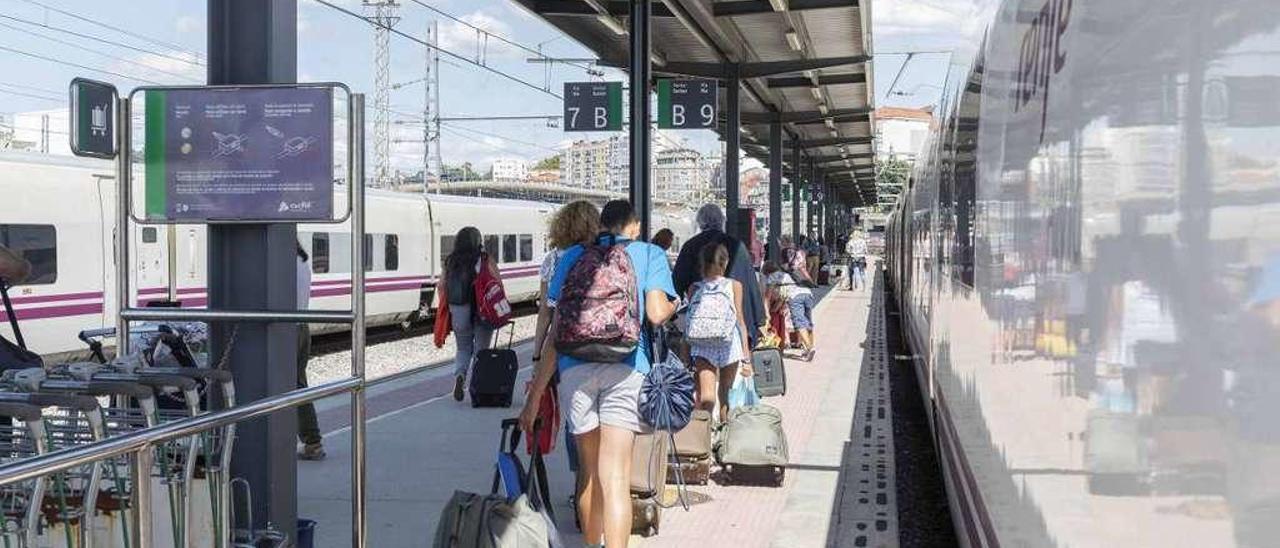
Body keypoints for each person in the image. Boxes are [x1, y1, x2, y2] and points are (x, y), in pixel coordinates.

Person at [520, 200, 678, 548]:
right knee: (616, 476)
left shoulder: (572, 257)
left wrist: (533, 399)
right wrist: (674, 303)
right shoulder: (649, 254)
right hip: (627, 365)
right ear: (634, 226)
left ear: (601, 226)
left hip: (575, 368)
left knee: (589, 475)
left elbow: (557, 330)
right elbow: (655, 313)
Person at [532, 200, 600, 502]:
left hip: (571, 353)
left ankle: (581, 483)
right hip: (614, 350)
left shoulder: (558, 259)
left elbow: (549, 314)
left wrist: (537, 356)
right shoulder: (608, 253)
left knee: (578, 422)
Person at [672, 204, 767, 347]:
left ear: (700, 222)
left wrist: (671, 314)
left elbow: (677, 282)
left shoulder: (690, 246)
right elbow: (751, 282)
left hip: (702, 323)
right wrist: (759, 319)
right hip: (734, 321)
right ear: (722, 221)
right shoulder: (737, 246)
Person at [686, 242, 753, 422]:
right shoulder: (734, 285)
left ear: (702, 263)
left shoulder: (694, 288)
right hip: (729, 344)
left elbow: (690, 319)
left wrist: (685, 356)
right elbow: (740, 321)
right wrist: (747, 359)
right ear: (725, 262)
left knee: (706, 397)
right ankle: (724, 438)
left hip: (702, 344)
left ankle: (704, 440)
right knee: (726, 395)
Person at [437, 226, 499, 402]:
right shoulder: (484, 259)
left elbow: (441, 286)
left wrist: (449, 308)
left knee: (463, 348)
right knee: (481, 351)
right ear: (478, 241)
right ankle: (477, 387)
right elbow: (497, 283)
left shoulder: (450, 261)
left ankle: (460, 376)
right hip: (482, 310)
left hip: (458, 309)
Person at [296, 242, 325, 460]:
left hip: (286, 331)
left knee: (295, 386)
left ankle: (312, 440)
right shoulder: (302, 261)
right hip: (301, 327)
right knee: (298, 385)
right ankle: (312, 440)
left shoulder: (281, 261)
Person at [764, 261, 817, 361]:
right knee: (808, 322)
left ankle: (810, 349)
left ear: (767, 271)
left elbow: (767, 297)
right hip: (808, 294)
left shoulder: (772, 277)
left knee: (799, 322)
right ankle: (808, 347)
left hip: (795, 297)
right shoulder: (786, 274)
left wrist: (767, 313)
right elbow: (783, 297)